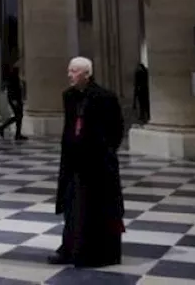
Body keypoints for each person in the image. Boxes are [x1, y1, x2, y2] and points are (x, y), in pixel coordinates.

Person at [50, 56, 124, 268]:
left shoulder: (105, 97)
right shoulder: (69, 96)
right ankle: (69, 248)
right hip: (73, 162)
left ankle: (95, 253)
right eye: (69, 70)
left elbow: (116, 129)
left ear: (86, 74)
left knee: (95, 209)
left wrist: (106, 151)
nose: (69, 75)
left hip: (98, 164)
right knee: (72, 206)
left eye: (74, 71)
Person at [0, 61, 28, 140]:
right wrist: (14, 100)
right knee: (18, 116)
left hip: (18, 99)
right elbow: (12, 89)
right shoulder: (13, 77)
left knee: (19, 116)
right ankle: (2, 127)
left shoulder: (17, 77)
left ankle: (17, 134)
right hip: (14, 99)